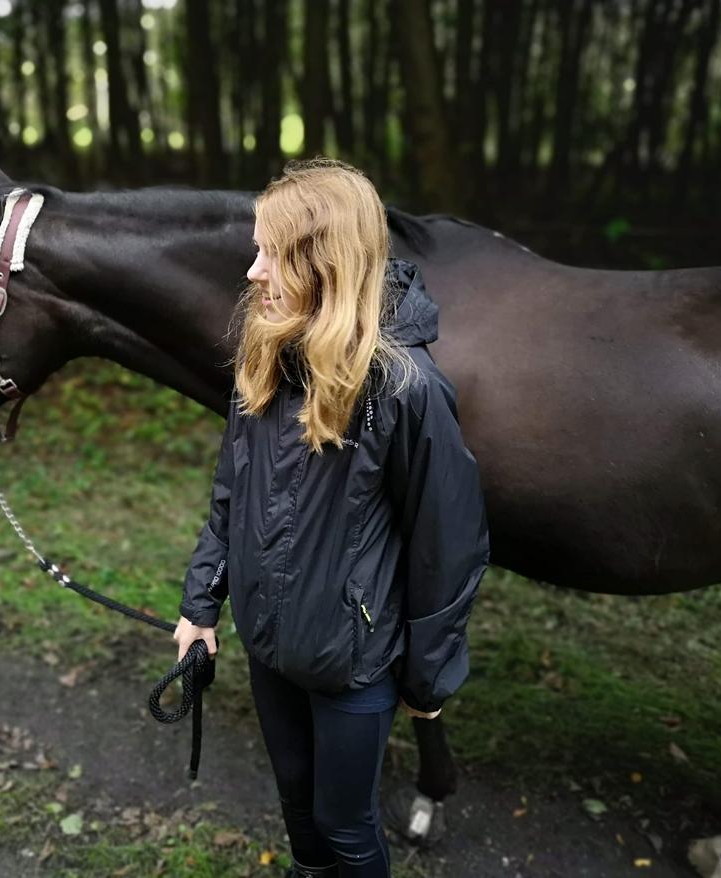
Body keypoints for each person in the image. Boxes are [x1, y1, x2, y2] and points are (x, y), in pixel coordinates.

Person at [172, 157, 490, 877]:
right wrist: (201, 606)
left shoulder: (404, 390)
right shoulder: (264, 359)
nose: (252, 272)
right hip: (269, 646)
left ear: (326, 264)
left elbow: (452, 546)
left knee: (346, 828)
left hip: (352, 664)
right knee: (298, 810)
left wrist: (426, 678)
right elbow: (232, 494)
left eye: (271, 255)